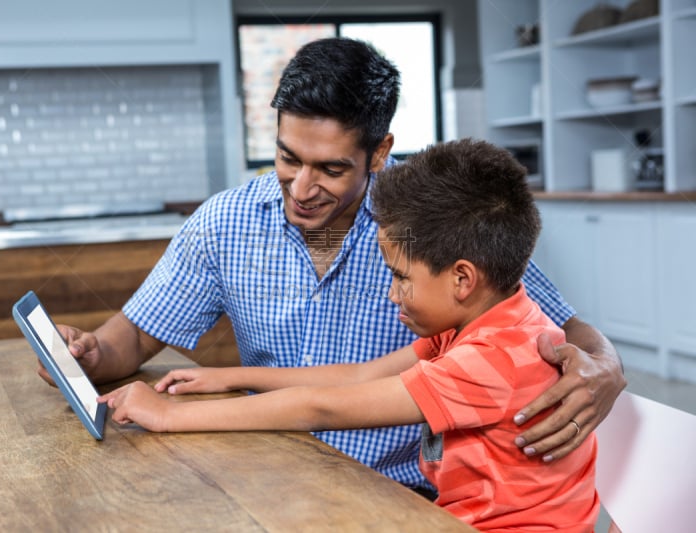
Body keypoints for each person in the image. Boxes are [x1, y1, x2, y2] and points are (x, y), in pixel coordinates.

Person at [42, 37, 624, 492]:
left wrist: (604, 364)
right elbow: (140, 334)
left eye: (330, 169)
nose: (301, 187)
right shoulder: (225, 221)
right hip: (265, 470)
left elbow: (553, 324)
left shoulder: (432, 224)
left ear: (378, 152)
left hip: (406, 491)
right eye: (287, 158)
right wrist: (93, 354)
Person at [99, 139, 600, 532]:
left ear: (462, 279)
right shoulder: (497, 321)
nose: (392, 294)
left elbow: (324, 408)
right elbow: (358, 375)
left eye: (402, 277)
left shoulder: (489, 360)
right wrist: (223, 375)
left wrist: (166, 416)